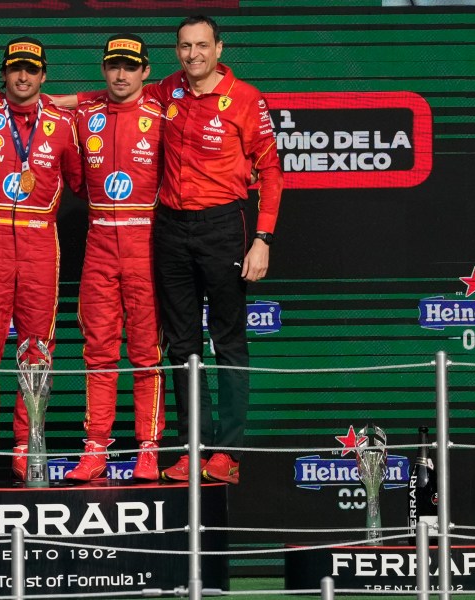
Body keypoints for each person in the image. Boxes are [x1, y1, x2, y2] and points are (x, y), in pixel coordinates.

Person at [147, 15, 283, 484]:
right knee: (181, 345)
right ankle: (193, 449)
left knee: (228, 343)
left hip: (224, 226)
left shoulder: (246, 99)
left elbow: (271, 173)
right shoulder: (167, 90)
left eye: (202, 46)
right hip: (169, 227)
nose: (193, 55)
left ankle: (228, 453)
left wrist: (262, 239)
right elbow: (112, 99)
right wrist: (49, 101)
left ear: (219, 49)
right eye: (185, 46)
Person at [0, 37, 82, 484]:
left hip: (40, 246)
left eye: (31, 70)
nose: (22, 77)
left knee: (37, 354)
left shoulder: (64, 123)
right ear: (3, 74)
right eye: (14, 70)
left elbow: (83, 180)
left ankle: (29, 447)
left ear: (44, 75)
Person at [64, 34, 165, 483]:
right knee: (99, 352)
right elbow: (28, 104)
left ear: (145, 70)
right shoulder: (83, 115)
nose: (121, 75)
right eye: (113, 66)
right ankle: (95, 450)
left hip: (147, 242)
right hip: (100, 241)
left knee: (147, 353)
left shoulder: (163, 113)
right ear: (104, 69)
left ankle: (149, 449)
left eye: (130, 66)